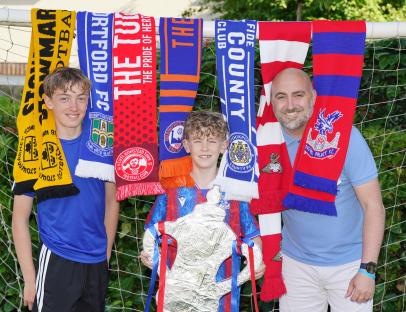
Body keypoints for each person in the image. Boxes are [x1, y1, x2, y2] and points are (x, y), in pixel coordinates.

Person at [270, 68, 385, 312]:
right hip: (295, 266)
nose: (290, 105)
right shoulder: (266, 142)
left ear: (313, 97)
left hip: (350, 266)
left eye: (298, 95)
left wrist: (368, 269)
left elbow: (373, 205)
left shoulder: (344, 137)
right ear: (271, 101)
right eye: (281, 96)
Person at [12, 67, 120, 312]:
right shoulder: (36, 148)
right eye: (64, 98)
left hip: (95, 263)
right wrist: (30, 279)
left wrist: (105, 253)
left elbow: (112, 201)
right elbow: (19, 218)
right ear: (48, 101)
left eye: (81, 98)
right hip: (58, 259)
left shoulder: (100, 144)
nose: (74, 106)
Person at [140, 111, 265, 311]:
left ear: (224, 145)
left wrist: (257, 260)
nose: (205, 148)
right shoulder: (171, 189)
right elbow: (152, 234)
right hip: (178, 291)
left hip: (220, 293)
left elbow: (252, 235)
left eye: (212, 141)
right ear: (187, 145)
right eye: (198, 141)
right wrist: (149, 256)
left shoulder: (235, 192)